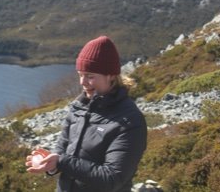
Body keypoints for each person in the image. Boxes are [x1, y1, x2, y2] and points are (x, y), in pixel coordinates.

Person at [26, 35, 147, 192]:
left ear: (111, 76)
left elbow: (112, 178)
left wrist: (61, 162)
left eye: (90, 76)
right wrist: (50, 164)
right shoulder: (78, 108)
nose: (82, 82)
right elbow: (62, 152)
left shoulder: (130, 121)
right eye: (80, 74)